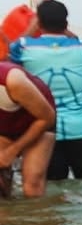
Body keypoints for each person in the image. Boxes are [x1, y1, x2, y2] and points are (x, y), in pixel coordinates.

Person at [8, 0, 82, 182]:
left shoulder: (24, 47)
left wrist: (33, 26)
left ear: (39, 23)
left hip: (44, 133)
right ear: (66, 23)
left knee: (51, 190)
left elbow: (7, 64)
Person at [0, 59, 55, 198]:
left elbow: (47, 118)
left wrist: (12, 151)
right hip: (5, 124)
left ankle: (37, 217)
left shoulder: (13, 81)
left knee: (32, 183)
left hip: (39, 121)